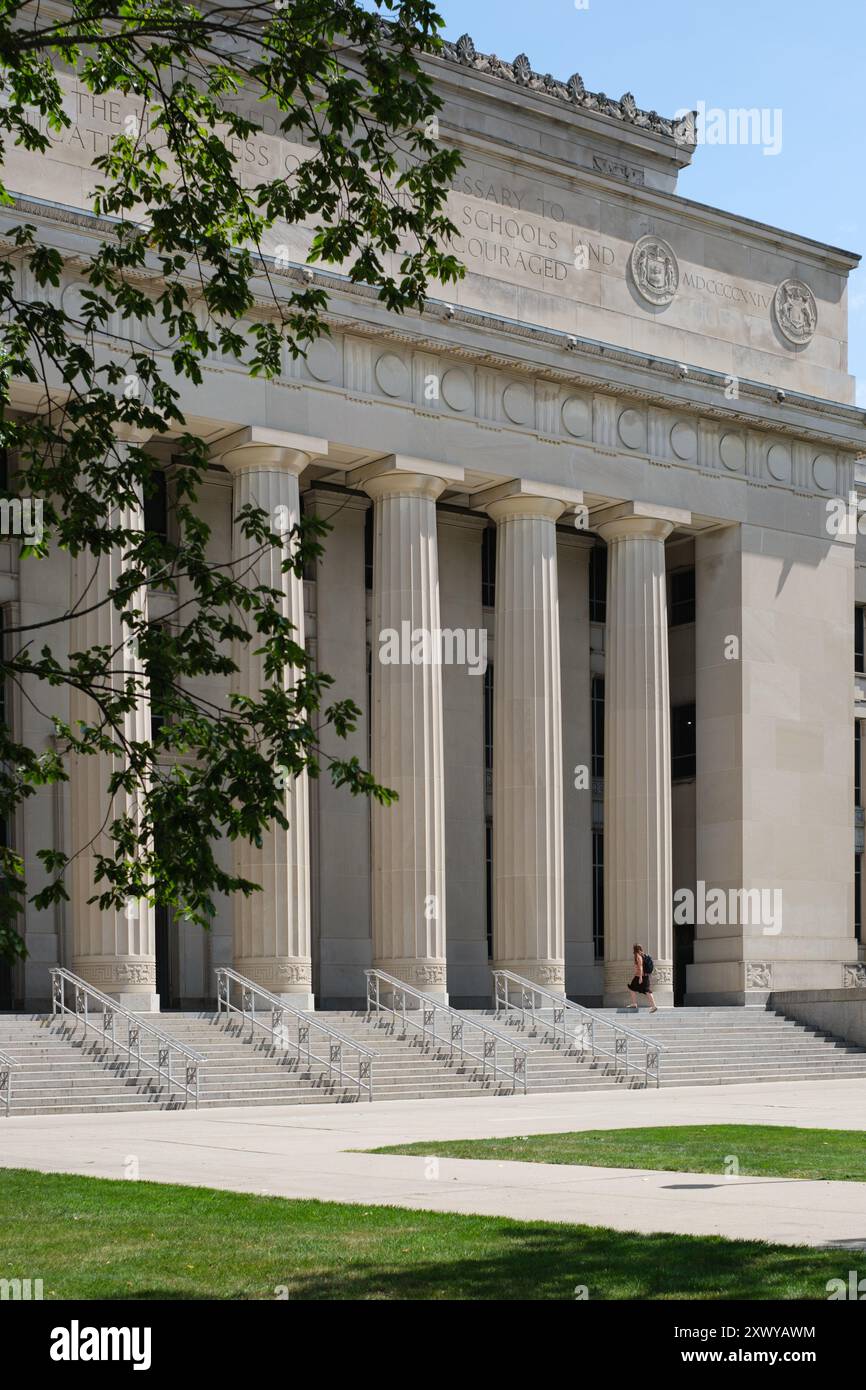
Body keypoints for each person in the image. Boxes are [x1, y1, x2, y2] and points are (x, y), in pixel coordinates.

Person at [628, 943, 658, 1013]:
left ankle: (653, 1006)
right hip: (644, 976)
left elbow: (640, 966)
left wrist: (640, 977)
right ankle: (635, 1004)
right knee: (635, 989)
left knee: (644, 990)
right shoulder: (643, 955)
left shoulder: (638, 956)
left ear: (635, 949)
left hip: (640, 976)